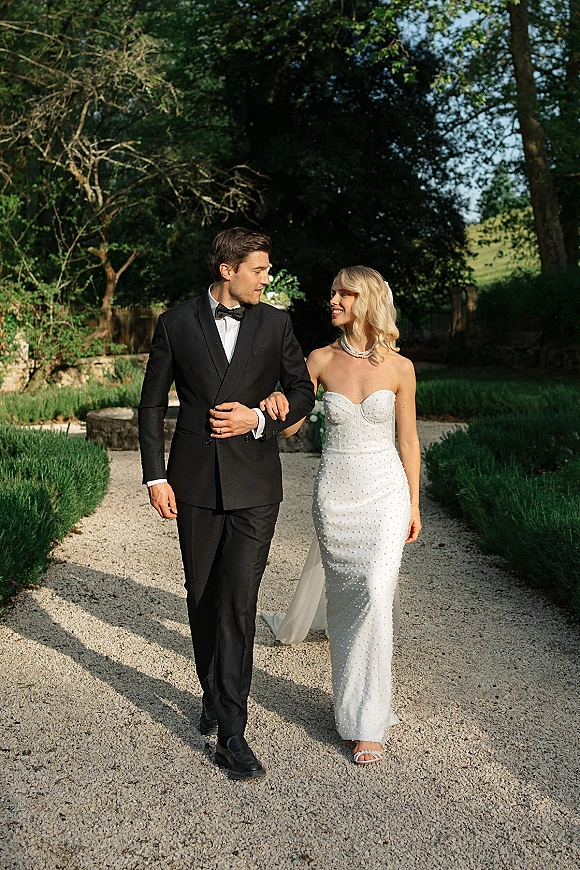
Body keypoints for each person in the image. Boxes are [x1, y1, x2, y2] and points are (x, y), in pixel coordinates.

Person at [138, 227, 315, 781]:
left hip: (256, 486)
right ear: (227, 270)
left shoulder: (277, 323)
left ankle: (233, 734)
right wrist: (154, 478)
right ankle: (212, 693)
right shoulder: (176, 323)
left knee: (239, 599)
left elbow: (303, 392)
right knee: (202, 595)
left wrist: (262, 416)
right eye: (259, 269)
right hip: (192, 484)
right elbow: (150, 407)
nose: (267, 278)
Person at [261, 266, 421, 765]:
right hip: (336, 496)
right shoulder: (319, 360)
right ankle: (353, 710)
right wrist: (276, 406)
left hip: (386, 493)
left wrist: (415, 502)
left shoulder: (400, 368)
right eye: (331, 292)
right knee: (350, 603)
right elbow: (291, 432)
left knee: (376, 590)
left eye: (343, 294)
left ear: (367, 300)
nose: (332, 300)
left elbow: (409, 440)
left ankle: (370, 721)